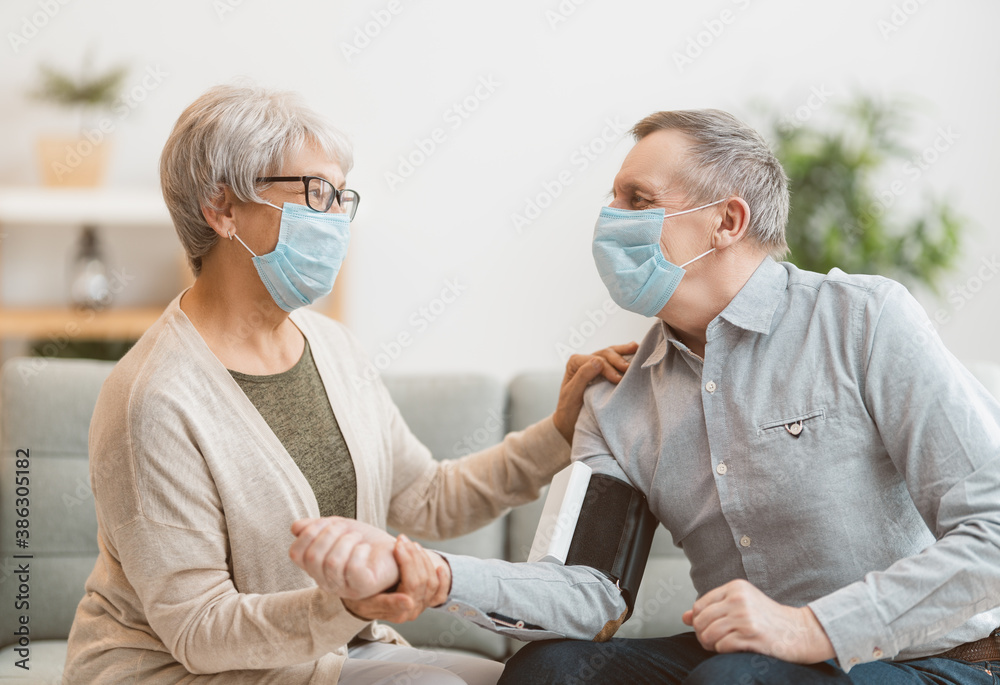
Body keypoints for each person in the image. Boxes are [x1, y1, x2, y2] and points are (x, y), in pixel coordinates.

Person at [292, 109, 1000, 684]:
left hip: (921, 659)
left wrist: (810, 627)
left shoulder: (863, 319)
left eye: (638, 201)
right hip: (749, 662)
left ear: (726, 221)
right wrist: (437, 574)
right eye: (612, 200)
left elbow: (991, 532)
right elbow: (586, 591)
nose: (611, 220)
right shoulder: (619, 399)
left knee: (738, 679)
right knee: (552, 671)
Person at [61, 83, 634, 685]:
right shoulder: (154, 397)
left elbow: (427, 499)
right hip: (182, 669)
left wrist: (559, 432)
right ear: (222, 208)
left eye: (342, 197)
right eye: (316, 193)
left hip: (323, 648)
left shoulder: (331, 346)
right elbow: (200, 631)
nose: (337, 218)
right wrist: (349, 606)